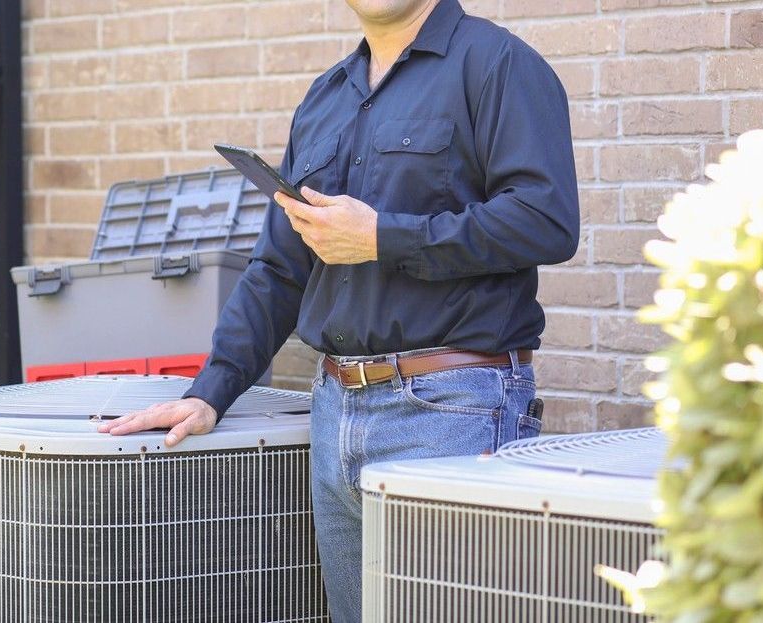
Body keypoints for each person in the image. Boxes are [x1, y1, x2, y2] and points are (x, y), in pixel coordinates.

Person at [98, 0, 578, 619]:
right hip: (335, 415)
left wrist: (385, 238)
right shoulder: (326, 98)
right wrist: (210, 392)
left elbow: (546, 220)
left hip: (451, 408)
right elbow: (279, 269)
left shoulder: (498, 66)